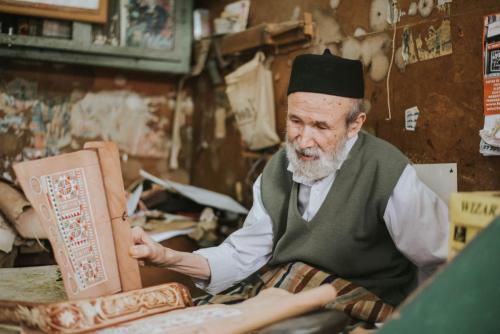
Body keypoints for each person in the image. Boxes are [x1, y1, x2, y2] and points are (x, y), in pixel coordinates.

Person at [129, 50, 448, 307]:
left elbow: (442, 257)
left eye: (321, 127)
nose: (304, 140)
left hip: (359, 305)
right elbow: (241, 255)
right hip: (285, 293)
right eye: (295, 121)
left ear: (354, 125)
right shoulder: (278, 167)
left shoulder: (385, 169)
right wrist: (165, 256)